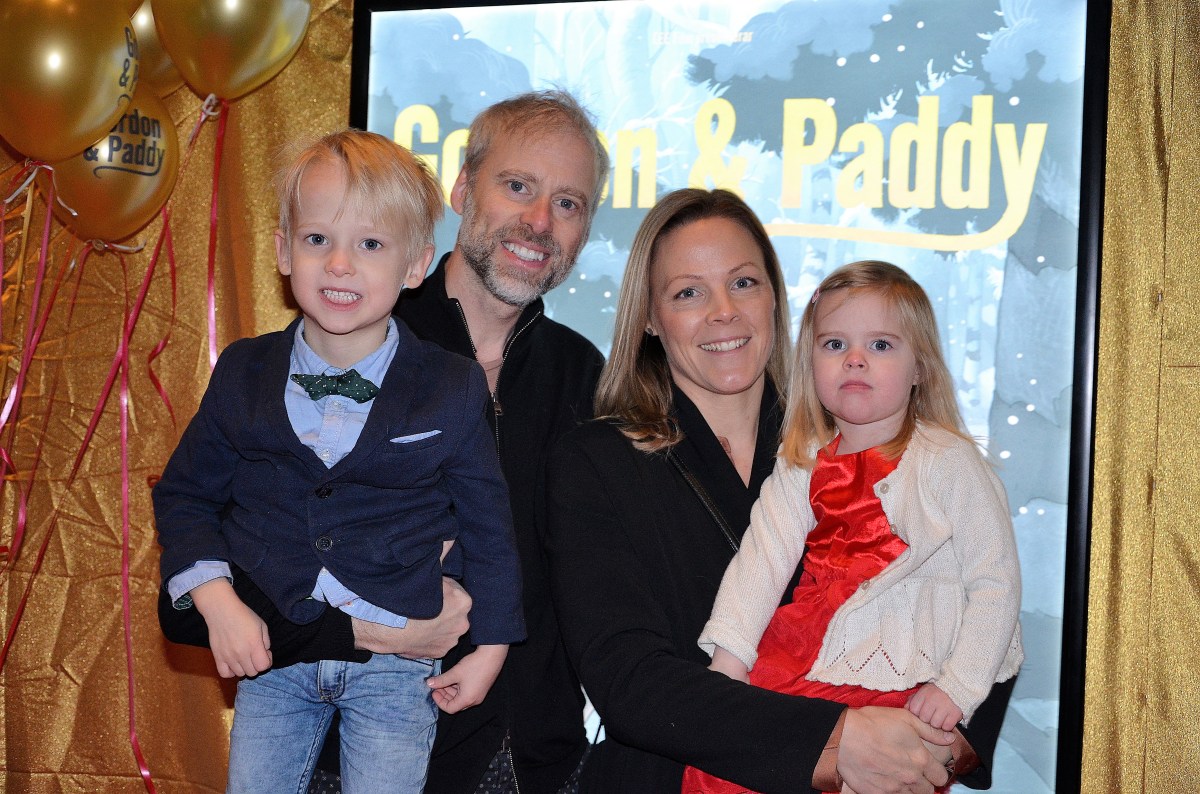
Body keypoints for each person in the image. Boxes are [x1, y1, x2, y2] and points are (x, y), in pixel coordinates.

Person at [158, 90, 609, 794]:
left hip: (527, 758)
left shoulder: (589, 378)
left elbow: (587, 584)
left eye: (569, 202)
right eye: (518, 185)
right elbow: (185, 599)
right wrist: (378, 633)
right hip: (329, 747)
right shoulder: (333, 332)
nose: (540, 220)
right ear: (463, 188)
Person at [544, 189, 1016, 794]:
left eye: (743, 283)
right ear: (649, 318)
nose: (723, 312)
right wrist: (836, 742)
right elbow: (629, 682)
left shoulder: (862, 438)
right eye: (688, 292)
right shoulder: (595, 462)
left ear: (775, 297)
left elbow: (983, 600)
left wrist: (937, 744)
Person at [681, 260, 1024, 794]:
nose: (855, 359)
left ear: (920, 368)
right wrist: (730, 657)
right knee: (722, 767)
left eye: (880, 345)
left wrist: (958, 687)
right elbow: (761, 562)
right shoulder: (802, 461)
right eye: (834, 344)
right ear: (810, 363)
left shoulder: (949, 463)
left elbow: (995, 584)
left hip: (908, 674)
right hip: (807, 652)